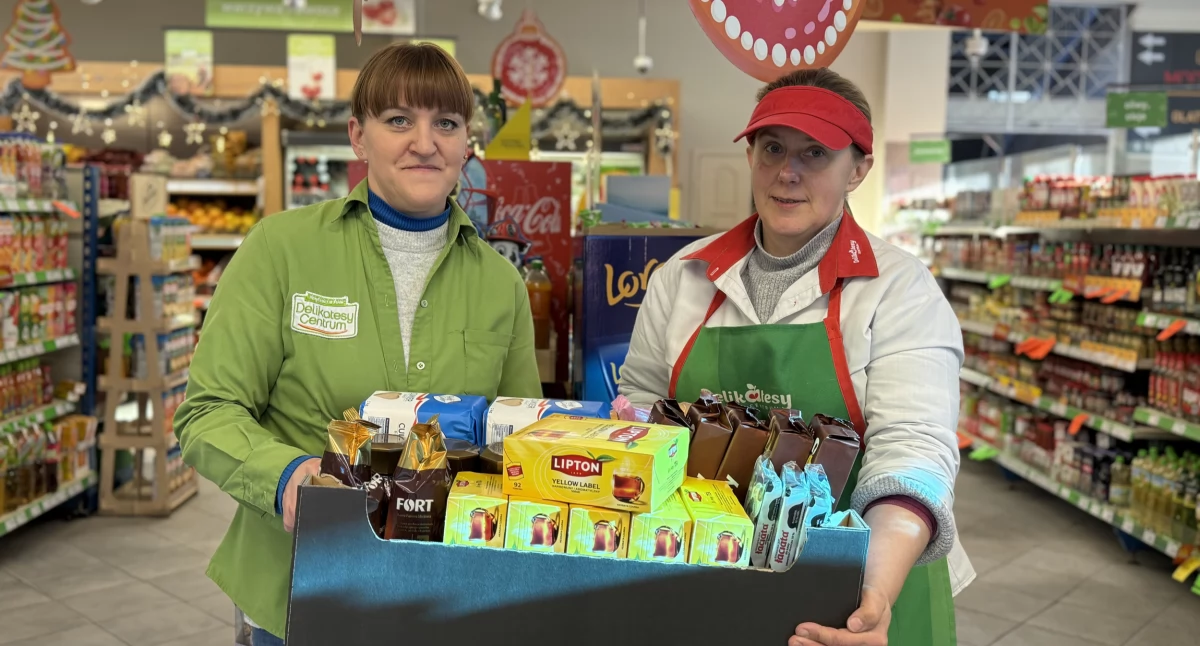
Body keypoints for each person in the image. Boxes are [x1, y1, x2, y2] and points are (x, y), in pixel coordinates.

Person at [175, 42, 542, 645]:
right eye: (399, 120)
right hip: (300, 586)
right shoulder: (282, 250)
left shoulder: (501, 283)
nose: (424, 143)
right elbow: (206, 412)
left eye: (445, 123)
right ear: (358, 135)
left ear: (466, 144)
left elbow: (515, 438)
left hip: (446, 593)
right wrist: (287, 475)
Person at [620, 68, 972, 646]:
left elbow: (913, 449)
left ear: (858, 168)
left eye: (816, 153)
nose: (787, 172)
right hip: (704, 570)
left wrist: (874, 596)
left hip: (859, 584)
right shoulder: (683, 278)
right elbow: (639, 407)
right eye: (772, 148)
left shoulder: (900, 290)